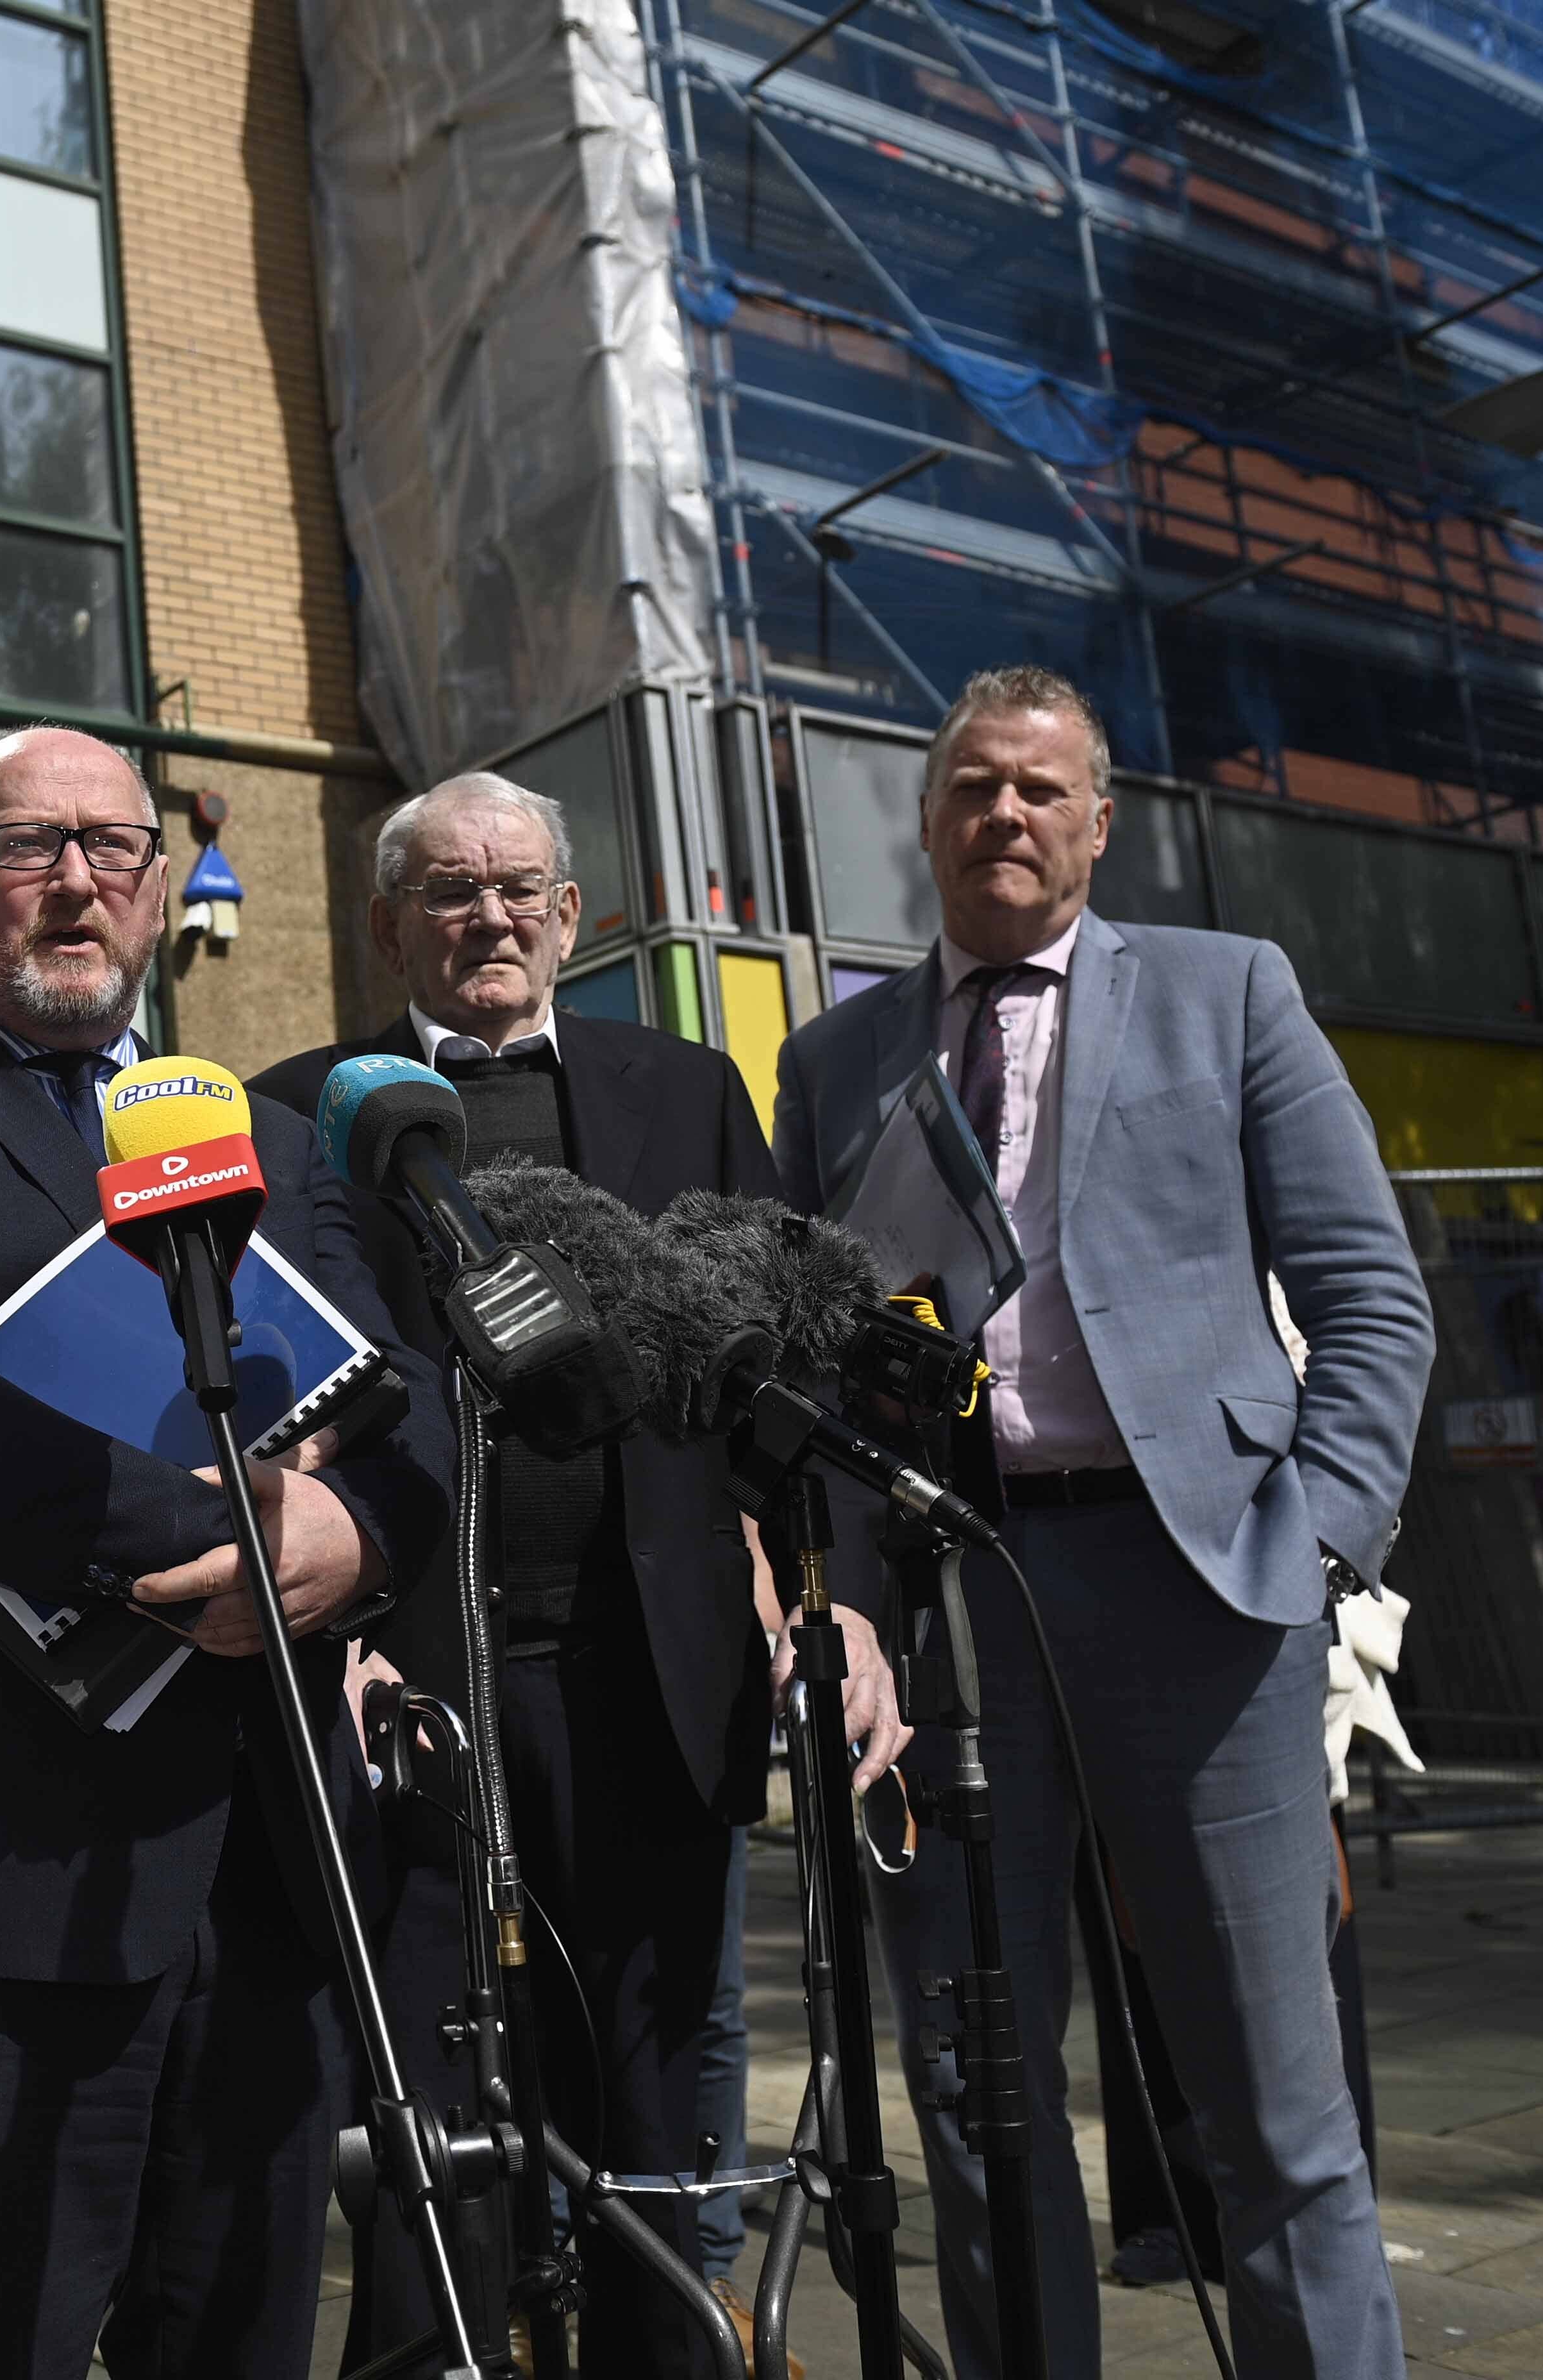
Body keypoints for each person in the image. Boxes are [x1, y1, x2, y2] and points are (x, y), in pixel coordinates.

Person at [0, 726, 451, 2380]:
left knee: (243, 2338)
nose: (74, 880)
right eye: (22, 845)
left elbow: (410, 1403)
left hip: (278, 1880)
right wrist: (231, 1533)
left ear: (158, 891)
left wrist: (355, 1532)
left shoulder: (268, 1133)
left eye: (113, 848)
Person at [769, 665, 1432, 2380]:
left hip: (1196, 1585)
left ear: (1100, 822)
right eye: (976, 787)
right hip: (945, 1600)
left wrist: (1315, 1542)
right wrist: (836, 1599)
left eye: (1043, 791)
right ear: (926, 821)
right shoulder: (833, 1057)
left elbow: (1370, 1294)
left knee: (1275, 2109)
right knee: (980, 2097)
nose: (1008, 813)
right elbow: (816, 1364)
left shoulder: (1230, 993)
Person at [256, 772, 902, 2376]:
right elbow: (275, 1393)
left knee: (653, 2091)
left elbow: (789, 1375)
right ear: (393, 919)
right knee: (422, 2100)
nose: (489, 915)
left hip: (650, 1671)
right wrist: (321, 1625)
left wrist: (850, 1599)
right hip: (408, 1682)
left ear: (570, 913)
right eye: (451, 889)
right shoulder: (302, 1107)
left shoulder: (681, 1089)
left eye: (518, 885)